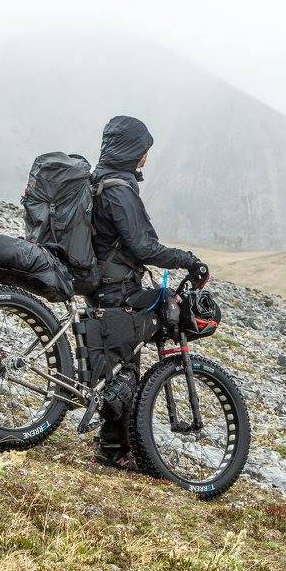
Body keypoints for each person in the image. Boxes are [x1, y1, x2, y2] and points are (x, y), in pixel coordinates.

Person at [88, 115, 209, 468]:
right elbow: (143, 247)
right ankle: (114, 448)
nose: (146, 156)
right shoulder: (119, 190)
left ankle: (115, 445)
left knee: (121, 358)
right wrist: (189, 261)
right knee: (154, 326)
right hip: (117, 289)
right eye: (144, 149)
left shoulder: (98, 181)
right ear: (133, 151)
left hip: (101, 286)